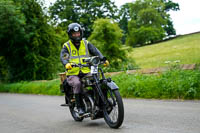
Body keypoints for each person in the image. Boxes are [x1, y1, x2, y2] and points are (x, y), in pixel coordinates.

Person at [60, 23, 109, 116]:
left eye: (78, 33)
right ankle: (80, 107)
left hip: (86, 71)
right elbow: (64, 57)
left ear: (81, 33)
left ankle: (100, 102)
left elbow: (96, 51)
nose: (76, 35)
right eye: (74, 34)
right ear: (70, 35)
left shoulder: (86, 43)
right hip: (73, 73)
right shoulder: (67, 46)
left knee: (97, 80)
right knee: (77, 83)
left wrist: (103, 59)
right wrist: (67, 64)